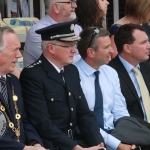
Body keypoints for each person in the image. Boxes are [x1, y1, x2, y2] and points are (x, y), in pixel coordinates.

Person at [20, 20, 106, 150]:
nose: (74, 50)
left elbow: (84, 114)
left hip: (77, 140)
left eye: (74, 44)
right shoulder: (32, 74)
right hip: (52, 145)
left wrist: (99, 144)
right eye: (68, 46)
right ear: (51, 48)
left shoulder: (71, 70)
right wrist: (75, 147)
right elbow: (42, 122)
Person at [74, 26, 141, 150]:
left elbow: (120, 112)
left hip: (116, 135)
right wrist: (117, 145)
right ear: (91, 52)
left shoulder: (110, 72)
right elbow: (84, 123)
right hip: (87, 140)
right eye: (106, 47)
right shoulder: (73, 76)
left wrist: (129, 137)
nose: (111, 50)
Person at [0, 26, 46, 150]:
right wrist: (24, 148)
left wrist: (34, 142)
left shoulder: (13, 81)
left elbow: (23, 119)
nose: (19, 55)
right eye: (14, 50)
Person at [109, 24, 150, 122]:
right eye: (143, 43)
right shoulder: (109, 72)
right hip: (133, 132)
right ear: (127, 48)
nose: (149, 46)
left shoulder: (147, 68)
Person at [23, 0, 82, 67]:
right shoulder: (38, 31)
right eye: (70, 2)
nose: (75, 6)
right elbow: (61, 61)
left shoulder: (77, 28)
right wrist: (84, 57)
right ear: (56, 7)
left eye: (75, 2)